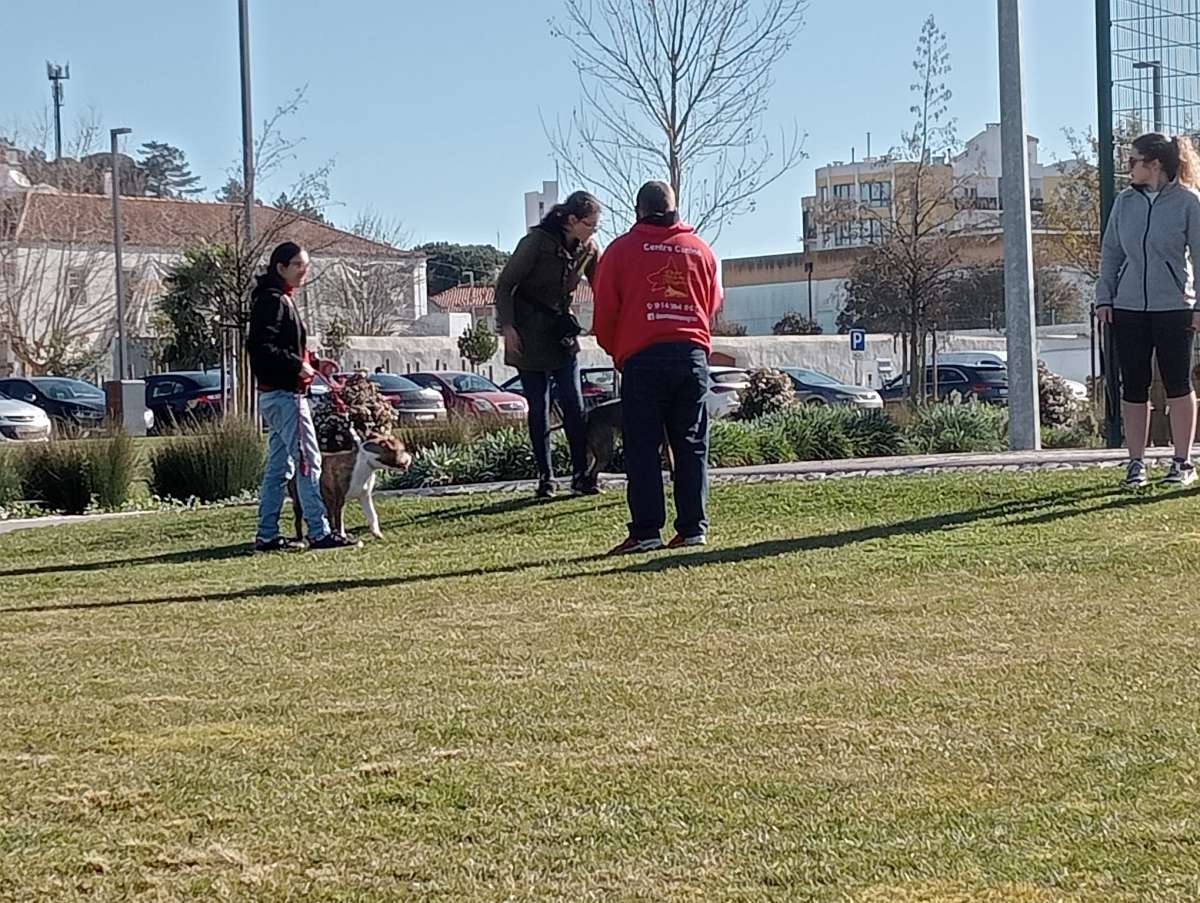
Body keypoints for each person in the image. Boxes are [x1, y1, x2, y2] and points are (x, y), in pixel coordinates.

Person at [591, 181, 722, 555]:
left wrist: (620, 352)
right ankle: (693, 526)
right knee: (692, 443)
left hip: (643, 358)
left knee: (643, 446)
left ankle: (647, 530)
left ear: (639, 211)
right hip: (692, 356)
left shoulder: (620, 252)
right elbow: (712, 303)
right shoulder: (701, 251)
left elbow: (604, 315)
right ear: (674, 207)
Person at [1096, 132, 1200, 488]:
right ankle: (1135, 463)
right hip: (1127, 308)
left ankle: (1182, 462)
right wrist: (1104, 297)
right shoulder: (1124, 203)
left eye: (1133, 161)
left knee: (1177, 384)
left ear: (1154, 164)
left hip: (1174, 308)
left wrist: (1199, 305)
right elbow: (1111, 253)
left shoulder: (1189, 202)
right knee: (1133, 387)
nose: (1129, 168)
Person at [247, 241, 359, 551]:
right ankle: (319, 532)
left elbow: (282, 345)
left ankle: (266, 534)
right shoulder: (274, 301)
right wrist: (299, 365)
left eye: (305, 265)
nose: (303, 270)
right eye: (298, 264)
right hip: (286, 397)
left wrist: (314, 361)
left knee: (279, 468)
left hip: (275, 396)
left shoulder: (277, 298)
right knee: (309, 462)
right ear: (280, 267)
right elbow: (263, 349)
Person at [495, 191, 601, 499]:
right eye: (589, 225)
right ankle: (546, 478)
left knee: (573, 402)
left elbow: (603, 283)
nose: (593, 231)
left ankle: (581, 474)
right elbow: (505, 284)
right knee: (538, 406)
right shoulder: (536, 243)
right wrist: (509, 327)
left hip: (560, 331)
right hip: (529, 330)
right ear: (571, 220)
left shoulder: (589, 249)